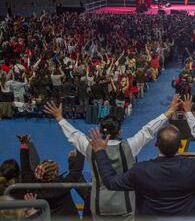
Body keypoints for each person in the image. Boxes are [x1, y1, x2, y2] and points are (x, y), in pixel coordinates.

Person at [43, 94, 182, 220]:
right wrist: (169, 111)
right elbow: (148, 130)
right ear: (119, 131)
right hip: (125, 205)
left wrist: (59, 117)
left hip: (100, 205)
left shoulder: (89, 147)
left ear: (100, 130)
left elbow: (73, 135)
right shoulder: (130, 146)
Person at [89, 119, 195, 217]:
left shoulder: (141, 170)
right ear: (180, 146)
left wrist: (101, 152)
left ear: (155, 144)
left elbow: (110, 182)